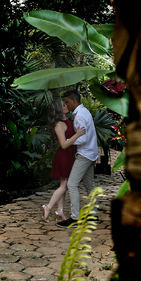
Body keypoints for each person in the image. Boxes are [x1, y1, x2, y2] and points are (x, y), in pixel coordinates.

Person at [58, 89, 99, 227]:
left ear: (74, 101)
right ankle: (93, 215)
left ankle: (75, 217)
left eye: (67, 102)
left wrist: (68, 141)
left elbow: (83, 138)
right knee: (89, 185)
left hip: (85, 154)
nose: (66, 105)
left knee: (71, 184)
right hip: (91, 153)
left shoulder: (80, 116)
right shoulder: (84, 111)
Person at [42, 98, 87, 222]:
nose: (66, 106)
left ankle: (60, 210)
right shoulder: (59, 124)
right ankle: (48, 207)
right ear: (58, 109)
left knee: (65, 184)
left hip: (69, 155)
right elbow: (64, 145)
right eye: (63, 105)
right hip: (64, 156)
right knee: (64, 185)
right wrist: (77, 135)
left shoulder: (66, 120)